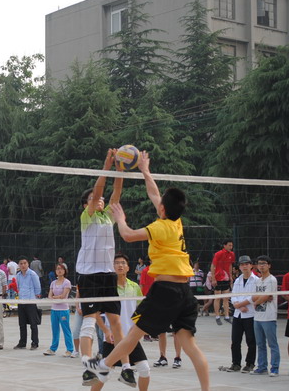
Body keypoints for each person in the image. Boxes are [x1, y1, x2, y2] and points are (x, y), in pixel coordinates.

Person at [84, 151, 209, 391]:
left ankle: (102, 366)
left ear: (162, 209)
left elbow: (128, 235)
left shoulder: (160, 227)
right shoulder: (176, 222)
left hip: (166, 290)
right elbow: (154, 194)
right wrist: (145, 170)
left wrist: (120, 217)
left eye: (160, 203)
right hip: (185, 291)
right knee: (190, 346)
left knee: (132, 335)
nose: (157, 202)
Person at [75, 150, 132, 386]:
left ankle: (126, 368)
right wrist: (106, 166)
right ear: (87, 204)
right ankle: (88, 365)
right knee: (89, 319)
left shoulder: (108, 216)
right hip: (88, 274)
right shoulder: (87, 216)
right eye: (93, 198)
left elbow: (115, 192)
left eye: (99, 199)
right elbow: (99, 191)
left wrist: (119, 170)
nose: (99, 200)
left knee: (115, 321)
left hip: (108, 274)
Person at [92, 253, 150, 391]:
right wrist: (106, 331)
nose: (120, 265)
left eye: (123, 263)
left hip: (130, 338)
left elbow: (140, 311)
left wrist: (138, 329)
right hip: (112, 338)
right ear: (112, 267)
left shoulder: (134, 287)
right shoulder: (107, 289)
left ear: (128, 267)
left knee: (145, 369)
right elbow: (95, 313)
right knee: (104, 375)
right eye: (117, 263)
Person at [225, 255, 257, 373]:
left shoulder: (256, 280)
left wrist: (242, 304)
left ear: (251, 265)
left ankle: (250, 363)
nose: (244, 266)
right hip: (238, 314)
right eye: (242, 264)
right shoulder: (238, 280)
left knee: (251, 340)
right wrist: (237, 305)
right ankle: (236, 363)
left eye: (247, 264)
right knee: (235, 341)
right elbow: (233, 295)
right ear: (239, 267)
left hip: (250, 314)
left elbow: (254, 296)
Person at [251, 255, 280, 376]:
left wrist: (256, 302)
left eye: (264, 263)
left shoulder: (272, 280)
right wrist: (260, 298)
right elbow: (254, 297)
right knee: (260, 344)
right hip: (257, 317)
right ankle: (262, 367)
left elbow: (266, 296)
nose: (261, 266)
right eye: (259, 263)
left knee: (272, 344)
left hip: (269, 317)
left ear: (269, 265)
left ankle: (275, 368)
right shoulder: (257, 281)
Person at [44, 263, 74, 357]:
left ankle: (69, 349)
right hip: (54, 309)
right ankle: (53, 349)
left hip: (63, 309)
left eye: (61, 269)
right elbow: (49, 296)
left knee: (66, 329)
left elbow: (63, 296)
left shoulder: (67, 282)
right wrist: (54, 297)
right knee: (55, 330)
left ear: (64, 271)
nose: (59, 270)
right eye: (57, 269)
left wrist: (54, 297)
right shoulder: (53, 283)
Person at [14, 257, 42, 350]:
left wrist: (36, 297)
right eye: (21, 263)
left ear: (28, 264)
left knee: (33, 324)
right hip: (21, 301)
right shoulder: (18, 275)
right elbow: (18, 287)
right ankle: (22, 342)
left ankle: (35, 342)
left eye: (24, 263)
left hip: (30, 301)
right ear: (19, 265)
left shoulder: (32, 274)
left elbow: (37, 287)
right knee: (22, 324)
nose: (23, 265)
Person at [211, 239, 235, 325]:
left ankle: (227, 316)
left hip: (226, 278)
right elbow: (213, 265)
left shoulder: (232, 254)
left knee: (226, 298)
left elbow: (230, 265)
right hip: (218, 277)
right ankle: (217, 316)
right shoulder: (218, 254)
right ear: (224, 245)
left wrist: (230, 276)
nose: (231, 247)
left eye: (231, 245)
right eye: (229, 245)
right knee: (217, 297)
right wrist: (213, 278)